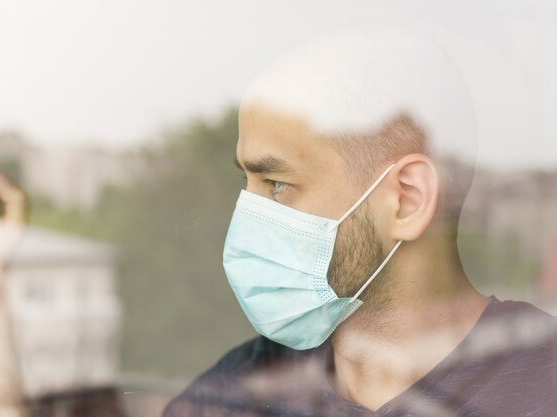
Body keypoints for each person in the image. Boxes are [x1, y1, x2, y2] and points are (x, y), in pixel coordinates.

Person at [163, 26, 557, 417]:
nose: (247, 218)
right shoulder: (230, 395)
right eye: (247, 184)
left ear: (407, 199)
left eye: (278, 184)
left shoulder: (542, 393)